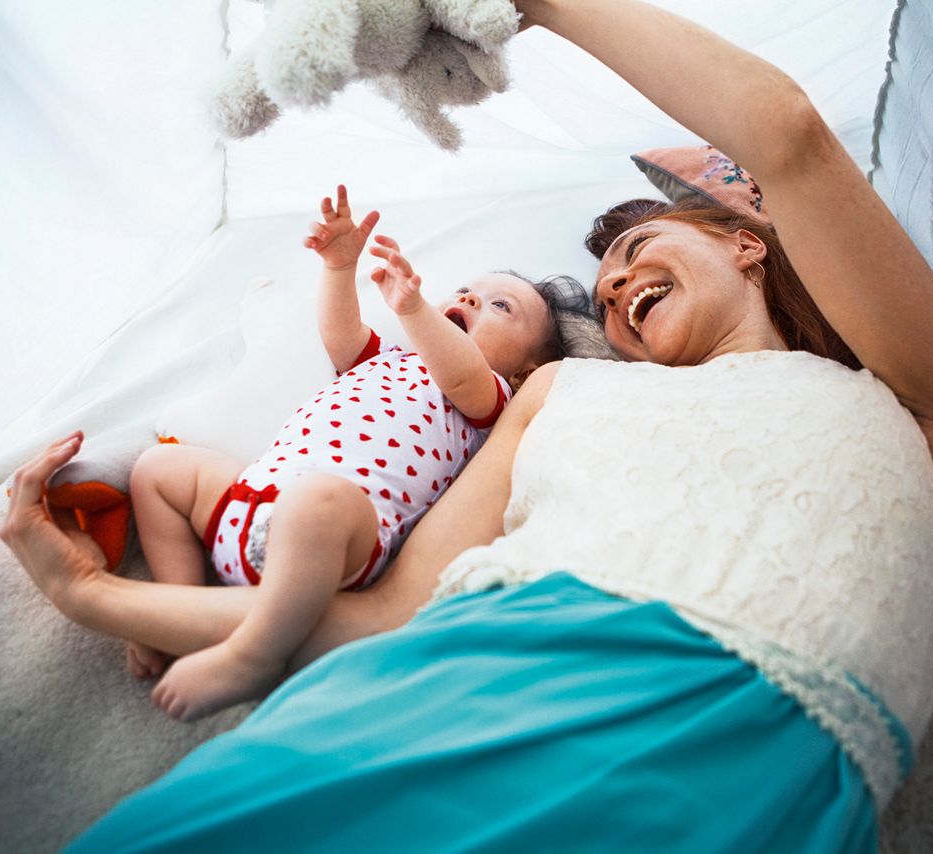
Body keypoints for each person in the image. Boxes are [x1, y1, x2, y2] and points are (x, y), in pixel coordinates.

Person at [0, 0, 933, 849]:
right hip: (392, 708)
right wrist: (91, 598)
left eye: (638, 251)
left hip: (701, 782)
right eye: (606, 297)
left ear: (744, 242)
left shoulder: (930, 419)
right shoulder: (557, 394)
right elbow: (374, 615)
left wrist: (534, 3)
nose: (614, 291)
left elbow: (782, 132)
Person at [124, 184, 589, 721]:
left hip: (337, 538)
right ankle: (175, 606)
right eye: (465, 291)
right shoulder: (388, 358)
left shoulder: (489, 395)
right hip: (253, 500)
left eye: (498, 306)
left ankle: (253, 652)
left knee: (318, 499)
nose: (467, 301)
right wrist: (339, 269)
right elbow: (340, 334)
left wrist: (416, 309)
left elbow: (459, 369)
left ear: (525, 370)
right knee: (160, 470)